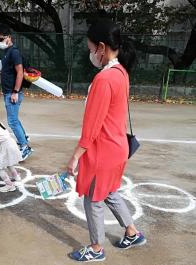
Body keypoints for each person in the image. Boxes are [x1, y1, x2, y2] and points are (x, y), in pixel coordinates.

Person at [67, 19, 146, 262]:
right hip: (118, 147)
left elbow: (92, 127)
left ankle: (96, 249)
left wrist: (75, 157)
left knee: (93, 199)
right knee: (110, 191)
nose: (91, 54)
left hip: (104, 150)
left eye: (91, 49)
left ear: (101, 47)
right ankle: (132, 232)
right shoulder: (121, 71)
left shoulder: (104, 79)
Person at [0, 23, 33, 161]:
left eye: (0, 39)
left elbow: (20, 73)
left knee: (12, 121)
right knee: (14, 119)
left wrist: (15, 92)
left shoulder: (14, 52)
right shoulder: (7, 52)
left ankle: (25, 147)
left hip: (13, 93)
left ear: (8, 37)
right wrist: (2, 74)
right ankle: (24, 139)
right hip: (9, 92)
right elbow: (9, 70)